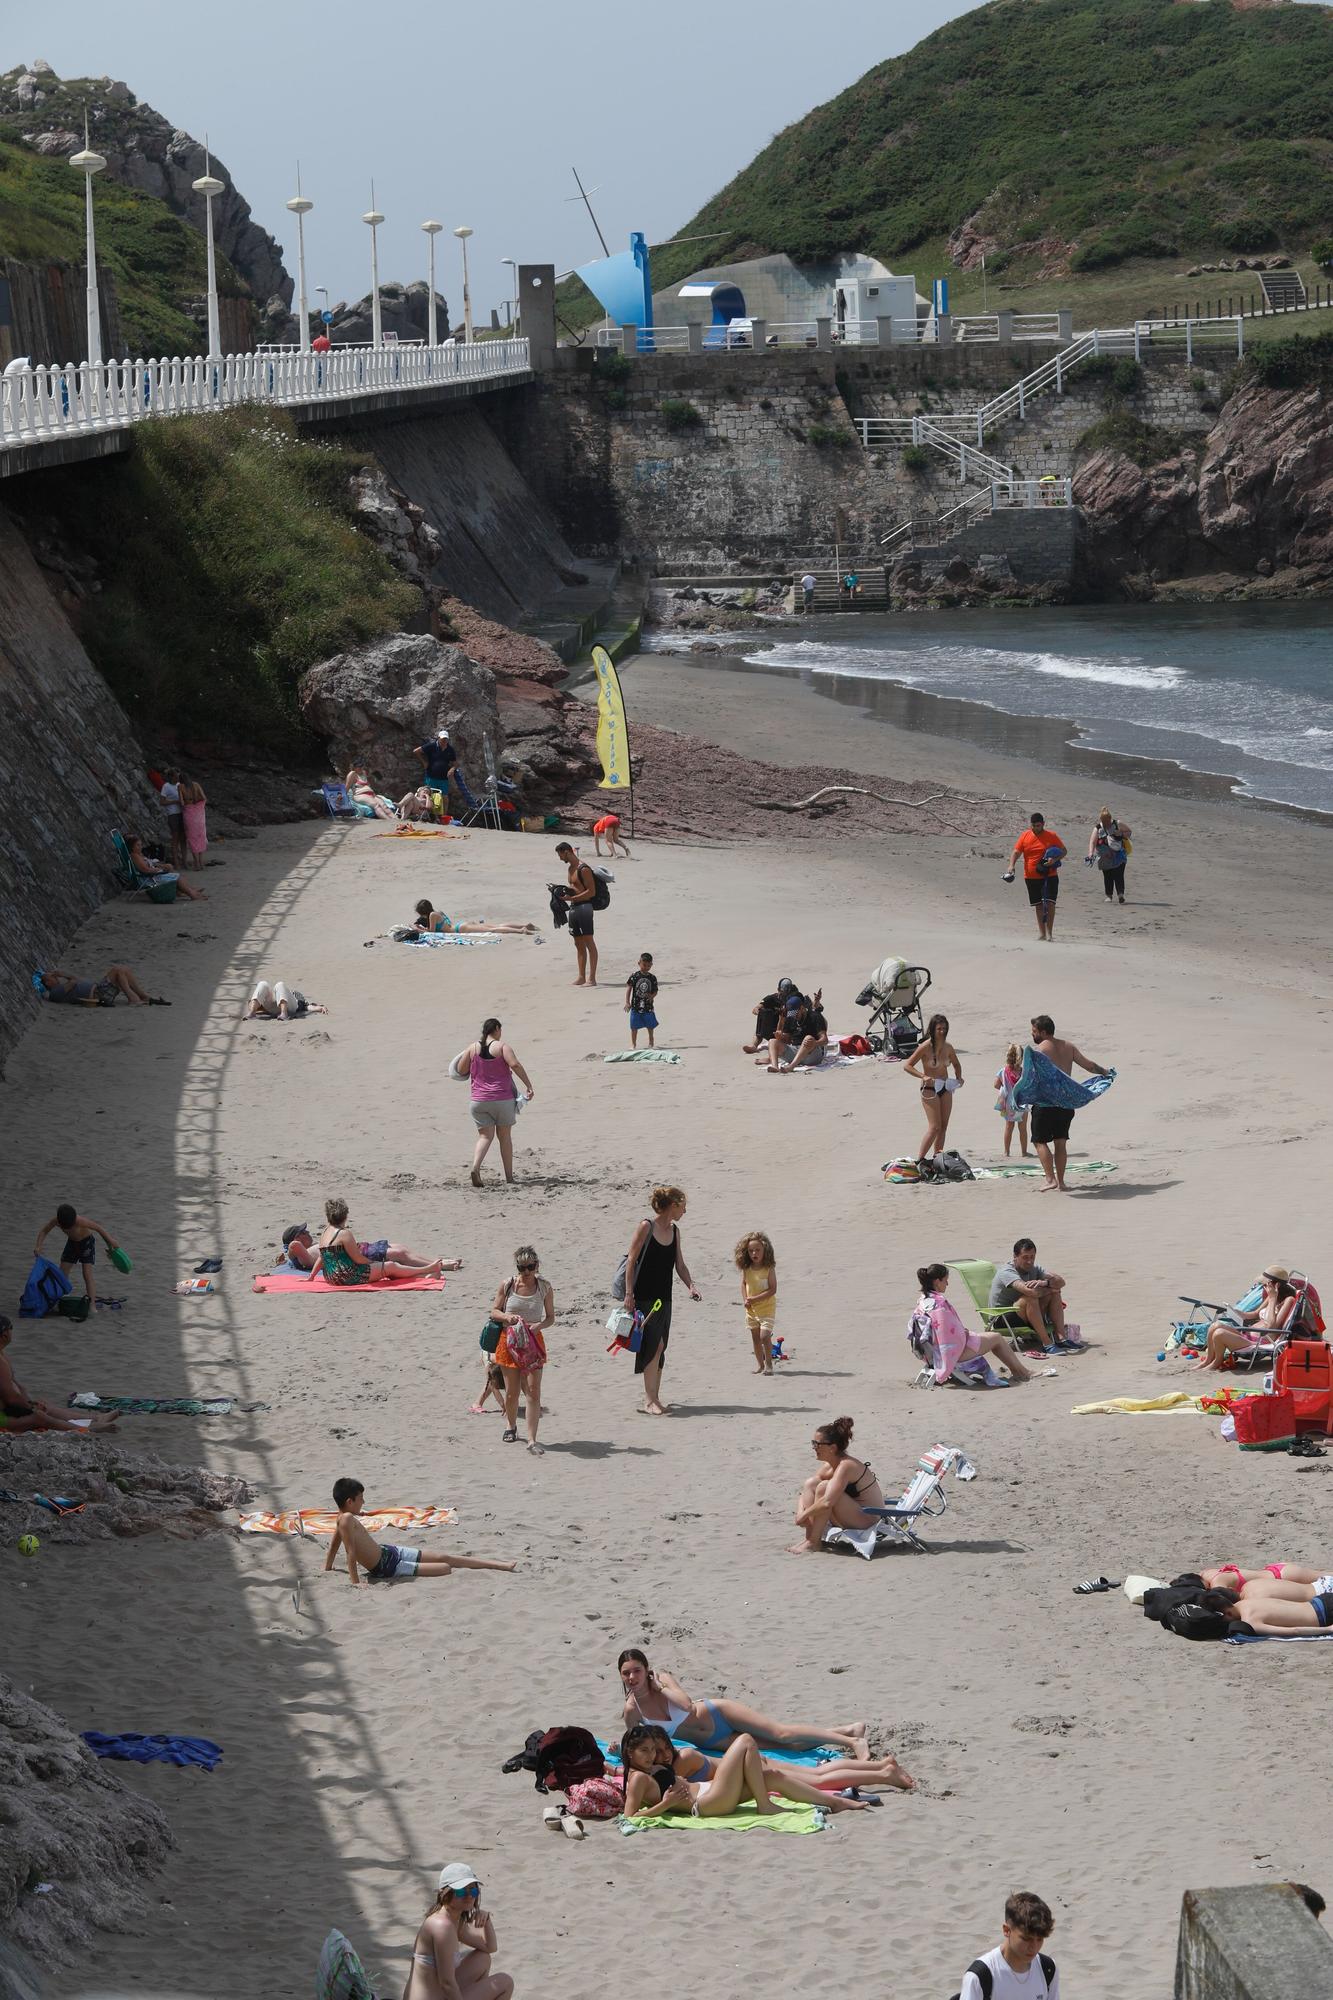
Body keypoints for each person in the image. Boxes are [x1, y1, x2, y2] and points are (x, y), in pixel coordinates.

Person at [617, 1649, 871, 1757]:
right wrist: (621, 1750)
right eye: (626, 1673)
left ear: (646, 1669)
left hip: (719, 1714)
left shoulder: (662, 1679)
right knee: (787, 1749)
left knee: (781, 1733)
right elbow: (637, 1741)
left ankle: (853, 1742)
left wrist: (658, 1686)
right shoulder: (632, 1710)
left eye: (637, 1671)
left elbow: (687, 1706)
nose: (632, 1678)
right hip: (715, 1742)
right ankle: (848, 1730)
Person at [619, 1724, 872, 1820]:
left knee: (774, 1777)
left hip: (710, 1792)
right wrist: (665, 1805)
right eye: (644, 1751)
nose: (651, 1755)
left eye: (652, 1749)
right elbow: (629, 1818)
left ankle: (836, 1803)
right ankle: (764, 1804)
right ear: (630, 1753)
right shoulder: (638, 1778)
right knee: (746, 1741)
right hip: (705, 1803)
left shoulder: (651, 1768)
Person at [325, 1479, 515, 1589]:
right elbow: (350, 1552)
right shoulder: (347, 1518)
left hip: (389, 1552)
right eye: (360, 1499)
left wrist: (328, 1567)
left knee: (444, 1556)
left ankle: (500, 1565)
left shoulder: (342, 1518)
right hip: (387, 1568)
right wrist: (356, 1583)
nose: (363, 1502)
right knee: (445, 1567)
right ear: (350, 1501)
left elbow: (334, 1543)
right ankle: (496, 1566)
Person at [622, 1186, 700, 1415]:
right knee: (652, 1345)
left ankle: (654, 1397)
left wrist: (691, 1286)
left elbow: (680, 1265)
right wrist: (629, 1294)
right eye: (683, 1206)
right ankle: (649, 1400)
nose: (685, 1211)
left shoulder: (675, 1231)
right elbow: (630, 1261)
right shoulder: (646, 1226)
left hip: (665, 1298)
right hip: (644, 1296)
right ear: (673, 1205)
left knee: (661, 1346)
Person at [405, 1860, 514, 2000]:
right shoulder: (442, 1926)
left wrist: (487, 1921)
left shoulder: (452, 1920)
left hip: (437, 1994)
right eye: (462, 1891)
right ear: (445, 1893)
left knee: (482, 1958)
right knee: (505, 1982)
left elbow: (490, 1947)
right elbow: (447, 1983)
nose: (469, 1896)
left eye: (473, 1890)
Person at [1028, 1015, 1111, 1192]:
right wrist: (1105, 1072)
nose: (1032, 1034)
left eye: (1034, 1031)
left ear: (1043, 1032)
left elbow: (1030, 1078)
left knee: (1039, 1141)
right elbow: (1089, 1066)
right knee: (1060, 1142)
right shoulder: (1069, 1046)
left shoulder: (1039, 1051)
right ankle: (1062, 1182)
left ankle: (1050, 1179)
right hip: (1066, 1103)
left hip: (1045, 1104)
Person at [914, 1264, 1033, 1386]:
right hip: (950, 1354)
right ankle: (1023, 1372)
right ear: (937, 1281)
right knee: (997, 1337)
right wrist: (964, 1333)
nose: (947, 1284)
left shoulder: (922, 1301)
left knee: (988, 1336)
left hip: (932, 1353)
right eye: (945, 1280)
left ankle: (1018, 1371)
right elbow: (946, 1335)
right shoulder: (939, 1304)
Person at [0, 1315, 118, 1433]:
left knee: (46, 1406)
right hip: (2, 1417)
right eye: (11, 1327)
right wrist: (31, 1409)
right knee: (39, 1417)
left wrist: (30, 1403)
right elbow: (11, 1397)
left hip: (8, 1408)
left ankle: (96, 1418)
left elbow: (16, 1386)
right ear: (5, 1334)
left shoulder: (2, 1354)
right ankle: (85, 1429)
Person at [788, 1415, 887, 1554]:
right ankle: (810, 1539)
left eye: (816, 1444)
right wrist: (800, 1513)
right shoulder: (829, 1466)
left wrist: (804, 1516)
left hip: (869, 1519)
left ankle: (813, 1542)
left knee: (823, 1488)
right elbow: (806, 1491)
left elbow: (827, 1502)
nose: (813, 1447)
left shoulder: (846, 1466)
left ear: (832, 1448)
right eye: (813, 1443)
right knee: (811, 1483)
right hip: (851, 1514)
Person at [489, 1246, 553, 1454]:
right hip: (509, 1342)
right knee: (512, 1393)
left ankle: (532, 1439)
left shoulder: (544, 1287)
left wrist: (539, 1326)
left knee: (534, 1393)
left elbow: (551, 1317)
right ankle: (511, 1426)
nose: (526, 1272)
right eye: (521, 1267)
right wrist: (507, 1318)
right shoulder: (508, 1285)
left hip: (533, 1343)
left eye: (530, 1267)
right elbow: (494, 1312)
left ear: (537, 1266)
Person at [458, 1019, 534, 1187]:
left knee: (485, 1136)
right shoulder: (502, 1047)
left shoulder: (472, 1048)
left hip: (478, 1102)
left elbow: (461, 1070)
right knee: (505, 1137)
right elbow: (515, 1064)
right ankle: (509, 1177)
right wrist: (528, 1085)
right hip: (502, 1099)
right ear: (497, 1029)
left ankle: (476, 1168)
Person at [316, 1199, 448, 1286]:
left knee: (388, 1271)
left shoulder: (324, 1232)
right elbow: (358, 1259)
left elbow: (322, 1257)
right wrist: (376, 1264)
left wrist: (311, 1277)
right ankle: (426, 1269)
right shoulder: (344, 1234)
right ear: (345, 1216)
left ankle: (424, 1275)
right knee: (390, 1266)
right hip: (346, 1276)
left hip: (330, 1277)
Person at [1191, 1266, 1299, 1370]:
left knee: (1219, 1333)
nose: (1264, 1286)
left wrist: (1272, 1298)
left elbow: (1272, 1326)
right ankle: (1208, 1360)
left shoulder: (1287, 1300)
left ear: (1276, 1285)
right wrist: (1237, 1313)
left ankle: (1216, 1362)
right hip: (1247, 1335)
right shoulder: (1271, 1296)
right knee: (1215, 1325)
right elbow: (1255, 1314)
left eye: (1266, 1284)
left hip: (1261, 1342)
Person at [958, 1891, 1059, 2000]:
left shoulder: (1048, 1969)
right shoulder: (980, 1977)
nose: (1034, 1947)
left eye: (1040, 1939)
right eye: (1026, 1939)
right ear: (1006, 1930)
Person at [988, 1238, 1080, 1354]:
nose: (1029, 1261)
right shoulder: (1007, 1272)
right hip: (1002, 1317)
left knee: (1055, 1293)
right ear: (1015, 1256)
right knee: (1031, 1297)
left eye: (1032, 1257)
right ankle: (1047, 1344)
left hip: (1024, 1313)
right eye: (1025, 1257)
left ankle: (1061, 1338)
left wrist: (1045, 1283)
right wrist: (1050, 1289)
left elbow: (1061, 1282)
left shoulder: (1034, 1268)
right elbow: (1030, 1292)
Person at [35, 1203, 121, 1310]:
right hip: (72, 1244)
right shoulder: (56, 1220)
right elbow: (44, 1231)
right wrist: (38, 1246)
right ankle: (59, 1299)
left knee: (87, 1274)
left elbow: (98, 1228)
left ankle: (92, 1306)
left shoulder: (80, 1220)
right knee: (62, 1273)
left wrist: (111, 1241)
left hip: (86, 1243)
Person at [903, 1013, 963, 1161]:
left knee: (943, 1126)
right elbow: (907, 1066)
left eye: (944, 1028)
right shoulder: (925, 1047)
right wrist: (923, 1076)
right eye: (939, 1029)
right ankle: (920, 1159)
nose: (942, 1031)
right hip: (929, 1088)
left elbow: (956, 1063)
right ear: (932, 1030)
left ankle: (937, 1157)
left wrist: (958, 1077)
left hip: (945, 1087)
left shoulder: (948, 1047)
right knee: (934, 1126)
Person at [1006, 812, 1066, 942]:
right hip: (1030, 876)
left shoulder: (1052, 836)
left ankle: (1049, 932)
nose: (1035, 828)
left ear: (1043, 824)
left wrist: (1054, 860)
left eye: (1038, 825)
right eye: (1033, 825)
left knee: (1050, 903)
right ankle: (1042, 933)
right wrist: (1011, 865)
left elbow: (1064, 851)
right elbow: (1016, 852)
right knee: (1038, 905)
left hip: (1049, 875)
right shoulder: (1025, 835)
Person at [554, 841, 599, 986]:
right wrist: (560, 890)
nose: (560, 858)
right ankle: (581, 977)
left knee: (588, 942)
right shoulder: (570, 869)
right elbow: (575, 887)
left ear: (566, 851)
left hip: (585, 907)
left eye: (560, 855)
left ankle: (591, 978)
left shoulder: (583, 868)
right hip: (573, 908)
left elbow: (591, 892)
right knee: (578, 943)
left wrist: (572, 898)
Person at [735, 1231, 777, 1374]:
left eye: (758, 1250)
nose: (754, 1253)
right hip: (751, 1310)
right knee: (755, 1338)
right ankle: (760, 1364)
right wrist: (746, 1299)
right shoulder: (747, 1269)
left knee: (764, 1336)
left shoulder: (769, 1268)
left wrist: (754, 1299)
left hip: (767, 1308)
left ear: (765, 1250)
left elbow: (773, 1289)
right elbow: (743, 1284)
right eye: (751, 1250)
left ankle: (769, 1364)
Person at [127, 832, 207, 901]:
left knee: (175, 874)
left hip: (151, 876)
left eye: (141, 845)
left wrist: (158, 867)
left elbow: (147, 866)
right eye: (138, 845)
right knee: (177, 877)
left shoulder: (138, 854)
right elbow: (145, 870)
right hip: (149, 878)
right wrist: (158, 870)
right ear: (132, 847)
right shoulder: (135, 856)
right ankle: (192, 894)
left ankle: (190, 890)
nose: (140, 847)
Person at [39, 965, 164, 1007]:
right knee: (117, 970)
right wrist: (63, 975)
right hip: (98, 994)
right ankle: (133, 998)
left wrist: (63, 975)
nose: (55, 977)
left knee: (124, 969)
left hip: (100, 989)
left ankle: (142, 996)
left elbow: (75, 980)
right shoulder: (55, 993)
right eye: (52, 977)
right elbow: (74, 982)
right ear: (48, 983)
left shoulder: (60, 987)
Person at [766, 990, 827, 1072]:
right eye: (791, 1014)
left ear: (802, 1008)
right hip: (795, 1051)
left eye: (796, 1013)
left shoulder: (814, 1016)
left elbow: (825, 1040)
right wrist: (781, 1037)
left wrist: (815, 1043)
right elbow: (787, 1040)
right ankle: (775, 1066)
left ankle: (791, 1067)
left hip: (812, 1053)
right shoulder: (791, 1018)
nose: (794, 1017)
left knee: (808, 1038)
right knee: (772, 1041)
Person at [743, 978, 802, 1055]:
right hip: (773, 1027)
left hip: (787, 1027)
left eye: (787, 992)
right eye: (783, 992)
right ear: (778, 989)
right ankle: (754, 1046)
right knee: (763, 1014)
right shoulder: (771, 998)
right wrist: (758, 1011)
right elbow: (756, 1008)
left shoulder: (793, 997)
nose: (785, 994)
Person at [1086, 805, 1131, 904]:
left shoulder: (1117, 823)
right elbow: (1092, 842)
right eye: (1104, 822)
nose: (1106, 824)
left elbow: (1129, 832)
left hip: (1119, 854)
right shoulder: (1097, 828)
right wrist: (1090, 853)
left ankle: (1120, 895)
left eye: (1107, 822)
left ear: (1110, 819)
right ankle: (1109, 896)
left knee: (1119, 874)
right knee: (1108, 876)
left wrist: (1122, 834)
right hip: (1104, 857)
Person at [412, 901, 537, 936]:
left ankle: (521, 930)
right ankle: (524, 925)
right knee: (495, 926)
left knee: (493, 930)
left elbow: (433, 932)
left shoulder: (432, 915)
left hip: (459, 929)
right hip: (461, 925)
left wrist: (420, 930)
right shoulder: (437, 912)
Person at [994, 1042, 1029, 1158]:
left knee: (1009, 1127)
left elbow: (996, 1085)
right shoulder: (1024, 1072)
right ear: (1021, 1058)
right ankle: (1024, 1152)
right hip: (1021, 1102)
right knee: (1022, 1128)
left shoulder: (1003, 1071)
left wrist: (1005, 1087)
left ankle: (1006, 1151)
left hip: (1008, 1103)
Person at [625, 952, 659, 1049]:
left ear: (651, 965)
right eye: (644, 965)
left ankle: (651, 1042)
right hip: (635, 1006)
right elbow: (629, 989)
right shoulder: (634, 976)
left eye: (649, 965)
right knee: (634, 1026)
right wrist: (627, 1002)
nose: (646, 967)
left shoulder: (652, 978)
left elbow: (656, 991)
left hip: (648, 1007)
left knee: (650, 1026)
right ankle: (633, 1044)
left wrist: (652, 996)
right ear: (639, 963)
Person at [245, 981, 325, 1021]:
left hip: (291, 1007)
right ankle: (251, 1013)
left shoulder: (295, 994)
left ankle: (284, 1014)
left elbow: (306, 1006)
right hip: (273, 1007)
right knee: (263, 983)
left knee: (279, 984)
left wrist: (319, 1008)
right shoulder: (276, 994)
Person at [179, 776, 208, 870]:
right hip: (199, 814)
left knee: (192, 838)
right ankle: (201, 862)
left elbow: (182, 803)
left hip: (189, 814)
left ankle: (196, 863)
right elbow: (204, 798)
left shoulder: (180, 786)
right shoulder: (196, 785)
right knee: (200, 837)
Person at [159, 768, 185, 868]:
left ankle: (184, 860)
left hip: (182, 813)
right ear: (172, 777)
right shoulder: (166, 786)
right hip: (173, 814)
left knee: (183, 838)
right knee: (175, 838)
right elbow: (162, 802)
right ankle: (176, 861)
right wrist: (175, 802)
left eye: (178, 776)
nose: (178, 778)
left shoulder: (180, 785)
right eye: (176, 776)